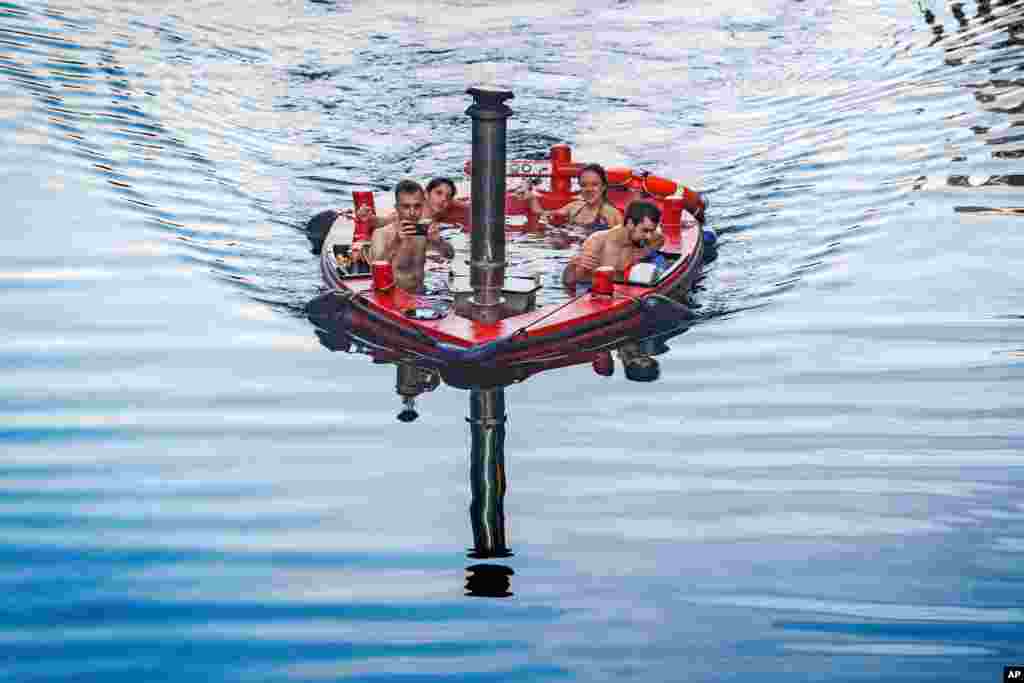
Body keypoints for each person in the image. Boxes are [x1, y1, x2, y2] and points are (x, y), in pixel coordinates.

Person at [369, 179, 455, 294]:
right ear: (397, 208)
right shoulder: (381, 234)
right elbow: (377, 268)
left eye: (417, 206)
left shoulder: (422, 230)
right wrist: (396, 242)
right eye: (406, 207)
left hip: (420, 295)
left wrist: (438, 241)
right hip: (393, 296)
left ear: (423, 205)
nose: (412, 212)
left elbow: (450, 255)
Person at [562, 200, 664, 287]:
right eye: (645, 231)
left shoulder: (651, 239)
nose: (649, 236)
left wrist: (645, 254)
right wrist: (572, 265)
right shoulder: (599, 241)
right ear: (630, 223)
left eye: (652, 231)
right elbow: (570, 282)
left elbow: (659, 240)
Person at [521, 163, 623, 232]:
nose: (588, 189)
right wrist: (531, 197)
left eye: (594, 184)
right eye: (584, 185)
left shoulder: (612, 214)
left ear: (603, 187)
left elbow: (623, 241)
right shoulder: (574, 207)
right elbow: (542, 213)